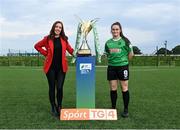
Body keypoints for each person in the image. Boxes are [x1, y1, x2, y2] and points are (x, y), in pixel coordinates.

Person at [34, 21, 74, 117]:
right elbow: (37, 46)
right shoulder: (47, 39)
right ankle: (53, 106)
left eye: (60, 27)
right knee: (52, 88)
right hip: (50, 68)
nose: (58, 29)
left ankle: (59, 106)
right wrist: (46, 54)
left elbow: (71, 50)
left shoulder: (64, 39)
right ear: (53, 27)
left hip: (61, 68)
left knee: (59, 88)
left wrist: (80, 54)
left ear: (61, 29)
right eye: (56, 26)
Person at [104, 22, 134, 117]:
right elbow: (107, 54)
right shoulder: (108, 42)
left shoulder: (126, 41)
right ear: (111, 31)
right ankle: (113, 108)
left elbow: (131, 54)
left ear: (120, 30)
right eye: (113, 29)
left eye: (117, 29)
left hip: (123, 67)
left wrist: (124, 62)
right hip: (112, 67)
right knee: (113, 88)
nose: (115, 31)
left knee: (124, 88)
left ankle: (126, 109)